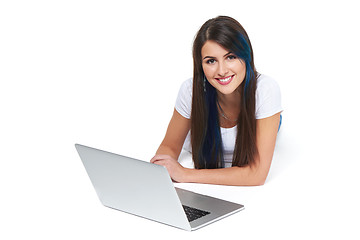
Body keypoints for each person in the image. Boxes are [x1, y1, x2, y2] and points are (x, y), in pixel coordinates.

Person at [150, 16, 283, 186]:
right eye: (211, 61)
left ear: (246, 56)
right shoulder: (190, 91)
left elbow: (256, 174)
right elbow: (168, 148)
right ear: (200, 65)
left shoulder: (266, 90)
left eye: (231, 57)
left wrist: (184, 174)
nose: (222, 71)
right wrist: (159, 172)